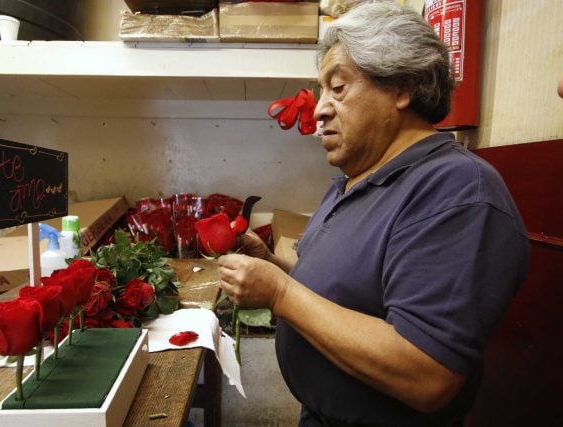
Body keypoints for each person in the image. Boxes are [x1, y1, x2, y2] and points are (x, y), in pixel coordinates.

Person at [217, 1, 530, 426]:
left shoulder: (456, 192)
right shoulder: (358, 178)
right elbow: (355, 291)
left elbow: (427, 374)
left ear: (401, 87)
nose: (319, 109)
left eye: (338, 87)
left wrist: (280, 294)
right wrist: (277, 269)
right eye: (321, 90)